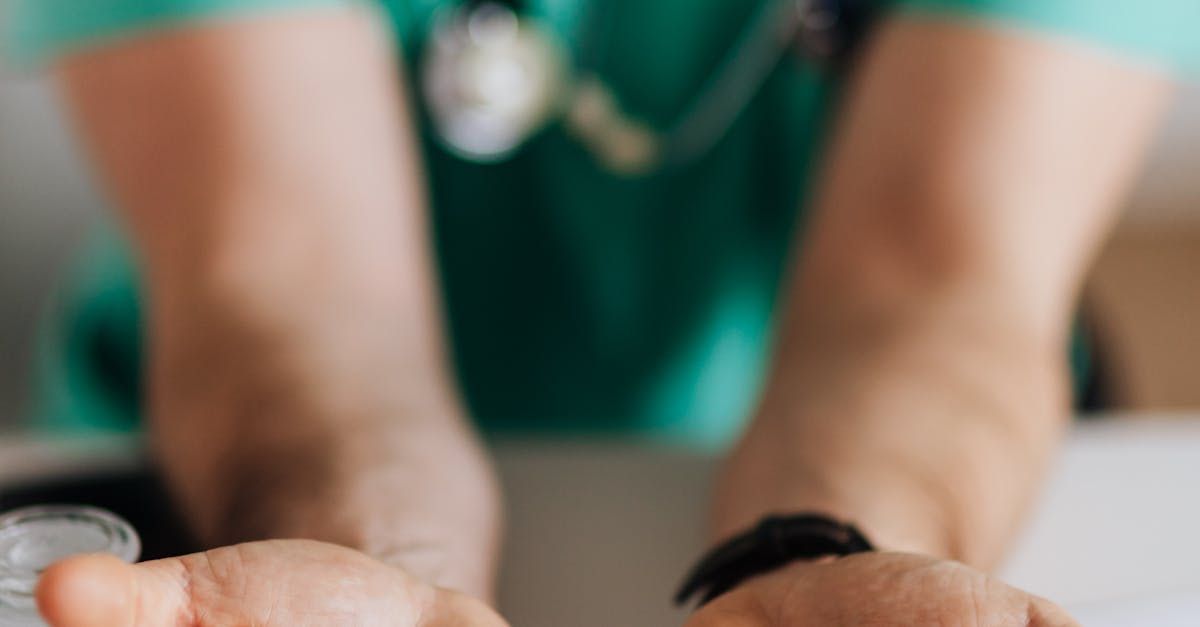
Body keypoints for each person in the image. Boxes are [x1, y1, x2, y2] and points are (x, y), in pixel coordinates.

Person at [5, 0, 1197, 624]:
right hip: (235, 488)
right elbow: (289, 278)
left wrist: (839, 550)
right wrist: (373, 567)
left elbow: (936, 275)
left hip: (910, 466)